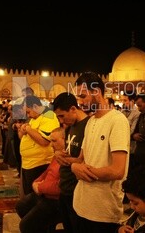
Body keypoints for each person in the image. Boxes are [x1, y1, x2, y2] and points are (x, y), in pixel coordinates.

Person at [70, 71, 130, 233]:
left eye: (83, 96)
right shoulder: (90, 121)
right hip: (81, 205)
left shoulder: (117, 121)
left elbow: (118, 170)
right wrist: (74, 167)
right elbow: (81, 159)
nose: (80, 103)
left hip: (103, 212)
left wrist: (84, 171)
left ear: (96, 92)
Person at [52, 92, 90, 233]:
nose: (61, 121)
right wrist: (57, 153)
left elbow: (85, 161)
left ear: (73, 109)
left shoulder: (89, 126)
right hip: (65, 187)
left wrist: (67, 160)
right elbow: (67, 152)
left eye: (62, 115)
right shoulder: (70, 127)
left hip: (77, 190)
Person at [16, 127, 65, 233]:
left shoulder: (68, 158)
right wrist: (36, 182)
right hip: (45, 193)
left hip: (56, 200)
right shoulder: (57, 154)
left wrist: (40, 187)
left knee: (26, 226)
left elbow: (61, 185)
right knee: (21, 206)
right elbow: (46, 172)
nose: (51, 144)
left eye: (54, 141)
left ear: (65, 140)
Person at [17, 95, 60, 196]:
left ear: (35, 106)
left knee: (34, 196)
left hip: (39, 164)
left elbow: (44, 141)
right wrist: (23, 130)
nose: (28, 115)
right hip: (28, 163)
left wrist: (28, 129)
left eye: (28, 112)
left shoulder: (49, 116)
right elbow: (23, 137)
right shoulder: (34, 118)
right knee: (28, 194)